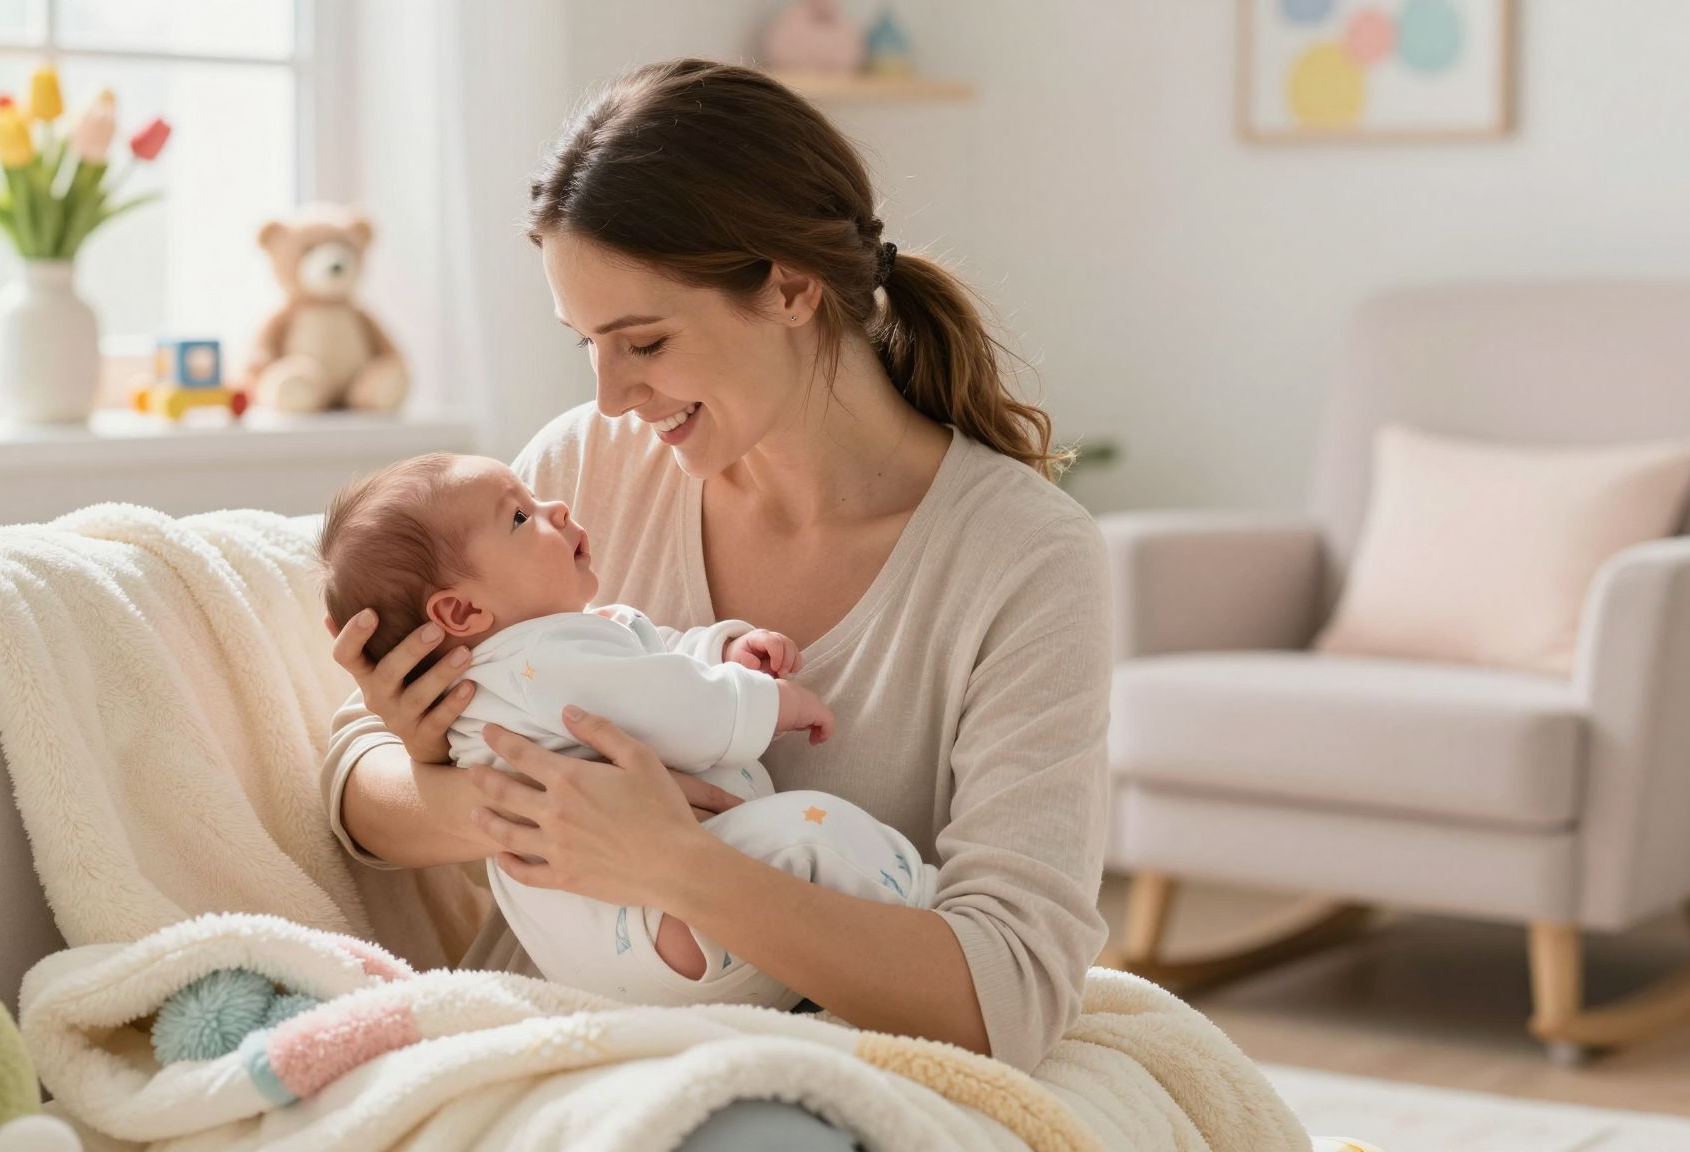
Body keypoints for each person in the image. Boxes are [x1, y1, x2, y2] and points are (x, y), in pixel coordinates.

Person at [322, 58, 1111, 1147]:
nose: (609, 395)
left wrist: (676, 868)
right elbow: (350, 793)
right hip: (536, 1050)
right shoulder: (577, 473)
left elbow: (1007, 992)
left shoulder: (1020, 561)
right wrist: (469, 783)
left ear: (790, 289)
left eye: (642, 342)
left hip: (806, 1073)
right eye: (587, 346)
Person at [316, 450, 935, 1009]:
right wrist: (767, 704)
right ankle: (935, 906)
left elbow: (647, 660)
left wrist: (722, 650)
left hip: (617, 956)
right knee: (817, 835)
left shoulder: (536, 660)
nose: (554, 506)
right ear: (461, 611)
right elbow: (668, 702)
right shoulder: (540, 658)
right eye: (520, 517)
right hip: (665, 928)